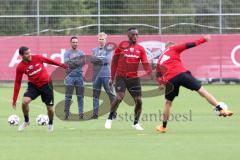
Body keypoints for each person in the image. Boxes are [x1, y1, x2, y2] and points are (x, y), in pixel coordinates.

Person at [155, 35, 233, 133]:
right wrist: (204, 40)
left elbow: (157, 73)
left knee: (168, 103)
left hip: (170, 80)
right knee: (201, 91)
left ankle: (163, 127)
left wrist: (161, 83)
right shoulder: (173, 48)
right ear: (171, 46)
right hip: (182, 74)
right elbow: (189, 44)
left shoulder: (159, 59)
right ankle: (221, 109)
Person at [104, 27, 152, 130]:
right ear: (128, 35)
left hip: (134, 79)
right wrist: (112, 78)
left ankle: (136, 123)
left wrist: (150, 72)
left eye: (136, 35)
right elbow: (114, 63)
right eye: (133, 34)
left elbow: (145, 63)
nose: (135, 36)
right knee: (119, 98)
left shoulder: (140, 49)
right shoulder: (120, 47)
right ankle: (109, 118)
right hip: (121, 77)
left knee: (139, 101)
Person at [12, 46, 67, 132]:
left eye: (29, 52)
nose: (29, 55)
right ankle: (26, 121)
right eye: (27, 54)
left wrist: (63, 65)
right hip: (33, 86)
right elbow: (17, 83)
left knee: (50, 109)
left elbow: (50, 61)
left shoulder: (37, 57)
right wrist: (14, 99)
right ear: (21, 55)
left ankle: (50, 123)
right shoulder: (20, 67)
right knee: (25, 102)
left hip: (46, 85)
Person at [91, 32, 116, 119]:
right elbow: (92, 59)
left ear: (106, 40)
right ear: (98, 39)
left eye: (103, 39)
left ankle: (113, 113)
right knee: (95, 95)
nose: (101, 41)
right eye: (100, 39)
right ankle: (95, 114)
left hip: (106, 74)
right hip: (96, 75)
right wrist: (101, 58)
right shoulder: (94, 50)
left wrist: (98, 59)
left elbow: (107, 59)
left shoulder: (109, 49)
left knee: (111, 94)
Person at [64, 36, 85, 120]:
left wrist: (72, 62)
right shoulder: (67, 53)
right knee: (68, 96)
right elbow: (67, 63)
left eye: (76, 42)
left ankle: (81, 114)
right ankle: (66, 114)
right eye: (73, 42)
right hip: (70, 77)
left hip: (79, 77)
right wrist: (77, 62)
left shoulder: (81, 53)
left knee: (80, 96)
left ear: (78, 43)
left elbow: (83, 63)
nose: (75, 43)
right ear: (71, 43)